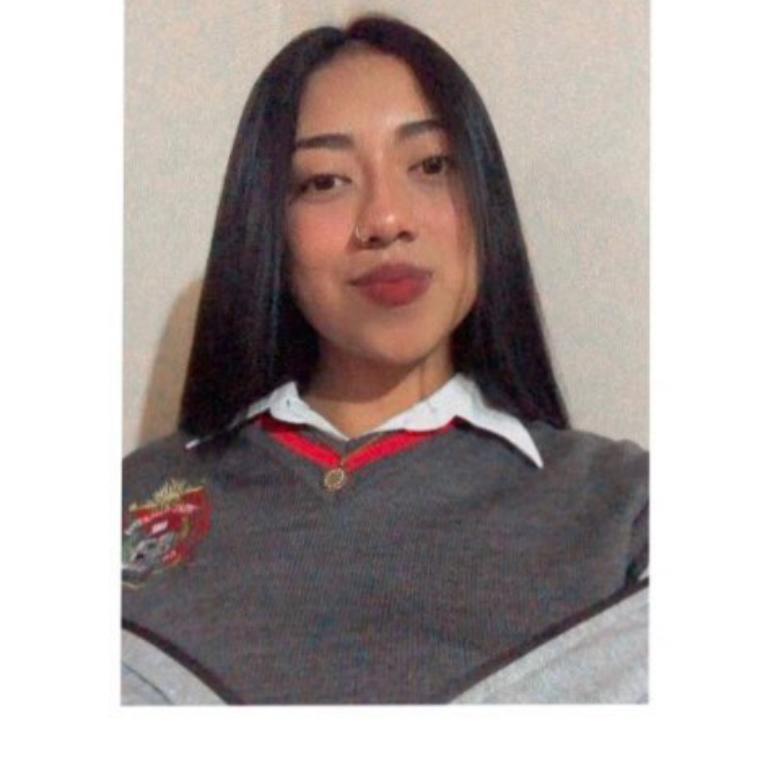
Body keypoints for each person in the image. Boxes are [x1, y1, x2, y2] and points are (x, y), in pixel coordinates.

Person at [122, 15, 648, 705]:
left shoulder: (626, 510)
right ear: (268, 224)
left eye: (431, 165)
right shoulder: (131, 497)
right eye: (324, 181)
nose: (386, 220)